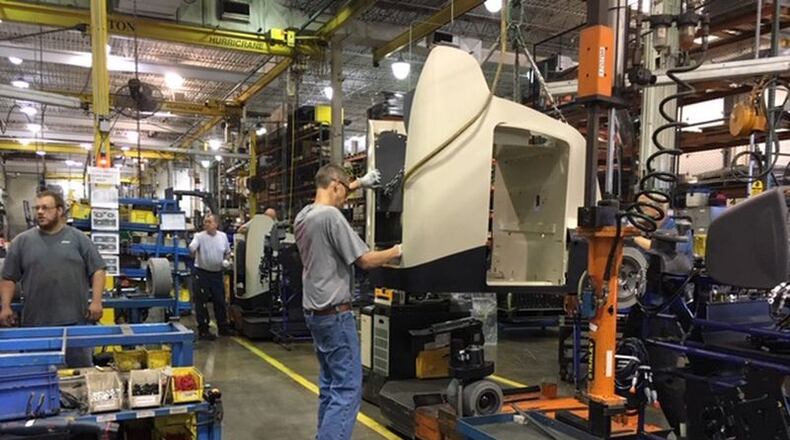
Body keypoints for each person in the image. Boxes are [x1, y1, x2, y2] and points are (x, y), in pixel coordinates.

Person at [295, 164, 401, 440]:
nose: (345, 201)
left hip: (315, 314)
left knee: (330, 385)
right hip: (335, 316)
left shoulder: (304, 215)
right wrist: (398, 250)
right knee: (348, 390)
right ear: (334, 187)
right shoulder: (331, 217)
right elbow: (364, 260)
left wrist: (359, 183)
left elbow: (333, 190)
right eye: (343, 193)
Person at [0, 190, 106, 367]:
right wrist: (5, 307)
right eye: (37, 208)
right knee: (37, 376)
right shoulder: (22, 242)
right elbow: (8, 277)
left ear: (59, 211)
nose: (40, 212)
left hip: (75, 323)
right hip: (35, 325)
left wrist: (96, 302)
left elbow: (98, 270)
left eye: (45, 208)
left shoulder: (78, 239)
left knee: (79, 377)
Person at [189, 214, 232, 340]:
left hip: (217, 274)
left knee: (220, 301)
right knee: (201, 302)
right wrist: (192, 248)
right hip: (202, 273)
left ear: (216, 224)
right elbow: (192, 247)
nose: (206, 224)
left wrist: (226, 260)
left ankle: (223, 328)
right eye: (205, 222)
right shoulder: (199, 236)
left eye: (209, 222)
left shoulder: (222, 237)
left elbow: (227, 252)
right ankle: (203, 329)